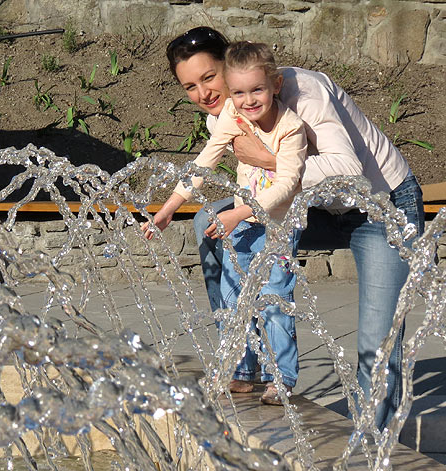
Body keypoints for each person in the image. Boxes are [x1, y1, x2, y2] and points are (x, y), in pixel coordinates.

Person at [152, 26, 425, 431]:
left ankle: (371, 449)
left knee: (376, 344)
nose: (203, 94)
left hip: (379, 208)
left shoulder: (305, 93)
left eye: (209, 78)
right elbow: (227, 173)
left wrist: (264, 159)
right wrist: (171, 204)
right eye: (189, 86)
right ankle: (249, 366)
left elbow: (348, 172)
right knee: (210, 220)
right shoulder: (230, 113)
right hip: (310, 208)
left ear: (231, 67)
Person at [143, 40, 307, 405]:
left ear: (275, 86)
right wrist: (170, 206)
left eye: (256, 91)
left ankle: (281, 379)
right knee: (233, 297)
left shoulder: (290, 128)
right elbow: (206, 160)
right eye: (239, 93)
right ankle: (242, 371)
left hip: (280, 226)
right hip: (244, 224)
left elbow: (287, 184)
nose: (247, 101)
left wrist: (237, 212)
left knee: (274, 300)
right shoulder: (233, 114)